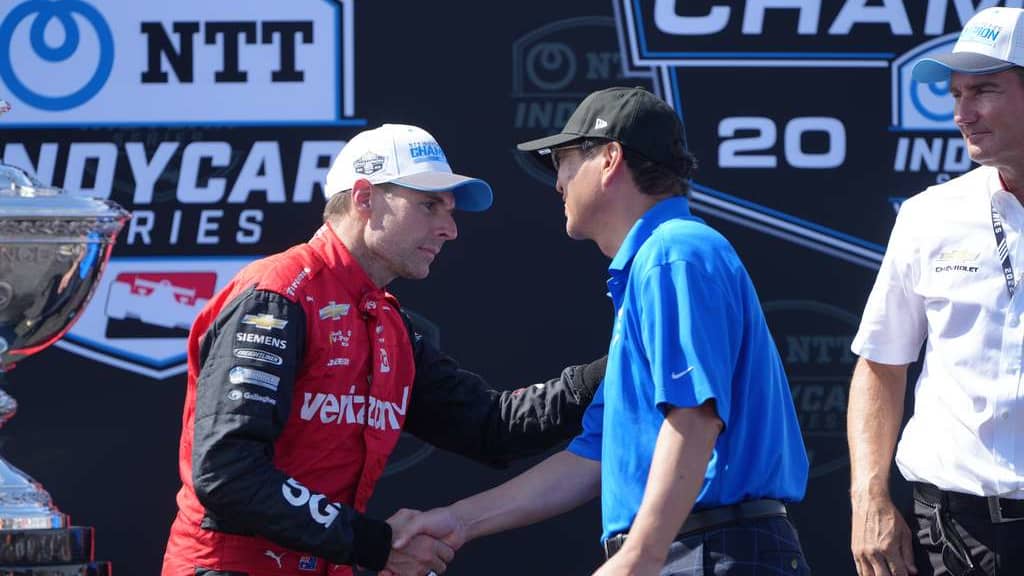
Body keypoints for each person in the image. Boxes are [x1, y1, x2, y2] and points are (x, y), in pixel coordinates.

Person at [388, 87, 810, 576]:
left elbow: (694, 417)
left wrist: (640, 555)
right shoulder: (657, 262)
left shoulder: (674, 253)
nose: (557, 183)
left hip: (710, 552)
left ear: (609, 159)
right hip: (694, 549)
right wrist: (457, 521)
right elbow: (591, 459)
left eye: (562, 162)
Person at [160, 123, 606, 576]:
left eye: (450, 212)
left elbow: (493, 426)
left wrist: (624, 363)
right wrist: (375, 544)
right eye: (429, 205)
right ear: (364, 197)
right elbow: (228, 472)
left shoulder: (386, 324)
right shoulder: (278, 295)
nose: (449, 229)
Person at [848, 7, 1024, 576]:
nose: (962, 114)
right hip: (954, 533)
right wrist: (869, 499)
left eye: (984, 90)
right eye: (955, 94)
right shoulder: (929, 215)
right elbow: (881, 364)